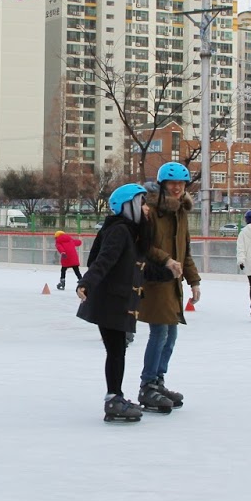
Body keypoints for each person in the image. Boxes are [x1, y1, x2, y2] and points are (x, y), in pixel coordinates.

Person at [75, 184, 156, 423]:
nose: (146, 208)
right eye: (142, 203)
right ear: (128, 206)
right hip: (109, 300)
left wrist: (168, 271)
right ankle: (113, 400)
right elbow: (103, 260)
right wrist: (86, 283)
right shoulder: (120, 230)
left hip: (116, 299)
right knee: (116, 350)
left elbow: (139, 267)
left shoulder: (130, 231)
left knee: (117, 349)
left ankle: (115, 397)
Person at [136, 162, 200, 413]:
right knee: (160, 332)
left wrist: (194, 280)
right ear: (162, 185)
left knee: (170, 334)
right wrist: (166, 260)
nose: (177, 188)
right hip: (155, 280)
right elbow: (143, 245)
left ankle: (158, 380)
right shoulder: (150, 211)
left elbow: (185, 250)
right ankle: (148, 384)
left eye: (181, 184)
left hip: (174, 282)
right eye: (172, 183)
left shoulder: (180, 212)